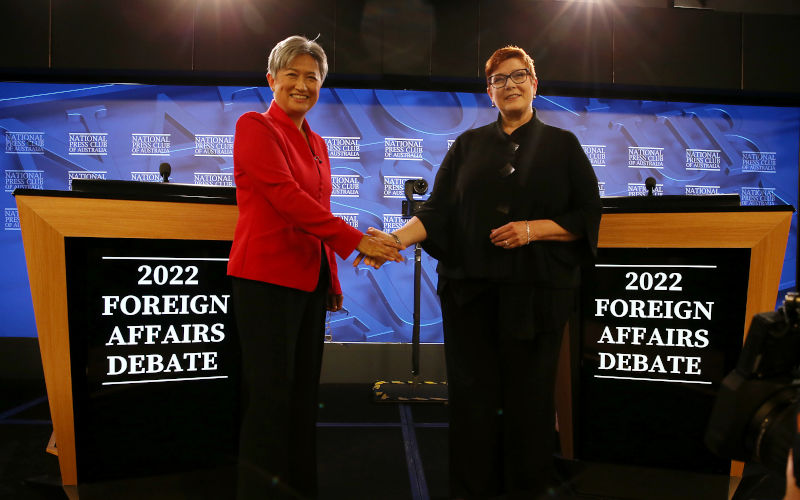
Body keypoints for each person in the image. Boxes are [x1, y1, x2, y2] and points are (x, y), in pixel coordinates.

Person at [356, 45, 602, 498]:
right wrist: (393, 240)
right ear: (489, 93)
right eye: (499, 80)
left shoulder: (563, 146)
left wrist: (533, 229)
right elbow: (436, 212)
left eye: (518, 75)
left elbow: (587, 216)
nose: (510, 85)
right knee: (473, 407)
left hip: (536, 302)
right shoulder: (467, 146)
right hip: (471, 300)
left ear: (534, 83)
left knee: (529, 407)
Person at [227, 35, 402, 499]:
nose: (302, 85)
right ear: (272, 80)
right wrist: (358, 241)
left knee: (302, 399)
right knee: (269, 399)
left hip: (308, 281)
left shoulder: (318, 142)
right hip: (264, 280)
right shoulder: (255, 127)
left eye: (312, 77)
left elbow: (318, 206)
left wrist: (332, 274)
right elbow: (288, 201)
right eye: (293, 75)